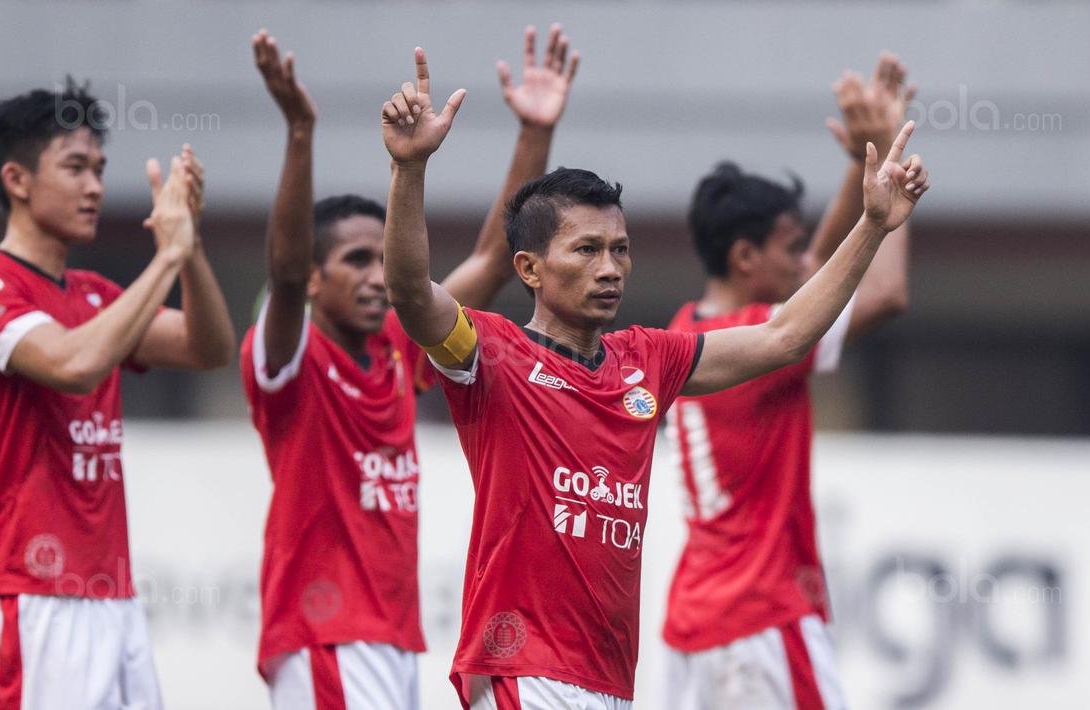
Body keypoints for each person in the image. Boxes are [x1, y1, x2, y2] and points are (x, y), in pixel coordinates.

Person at [378, 43, 930, 709]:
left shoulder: (649, 357)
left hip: (610, 680)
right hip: (522, 670)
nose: (610, 268)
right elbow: (412, 294)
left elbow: (785, 336)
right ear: (528, 269)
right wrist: (408, 172)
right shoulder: (489, 353)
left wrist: (871, 226)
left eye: (619, 250)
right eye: (585, 250)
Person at [240, 25, 580, 710]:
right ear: (313, 279)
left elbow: (491, 261)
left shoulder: (399, 348)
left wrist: (534, 134)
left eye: (379, 258)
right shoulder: (290, 357)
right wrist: (301, 131)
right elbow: (279, 272)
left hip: (390, 637)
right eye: (354, 262)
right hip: (325, 633)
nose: (374, 277)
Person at [0, 79, 235, 710]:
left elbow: (208, 349)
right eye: (75, 167)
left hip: (114, 598)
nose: (95, 187)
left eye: (100, 169)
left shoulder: (96, 293)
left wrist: (189, 252)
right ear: (17, 180)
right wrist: (164, 261)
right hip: (33, 593)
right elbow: (72, 364)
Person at [660, 54, 917, 710]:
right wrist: (887, 162)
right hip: (761, 615)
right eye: (788, 245)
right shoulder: (768, 337)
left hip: (694, 622)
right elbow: (879, 291)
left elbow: (817, 274)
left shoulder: (689, 328)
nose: (803, 257)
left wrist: (864, 166)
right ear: (746, 258)